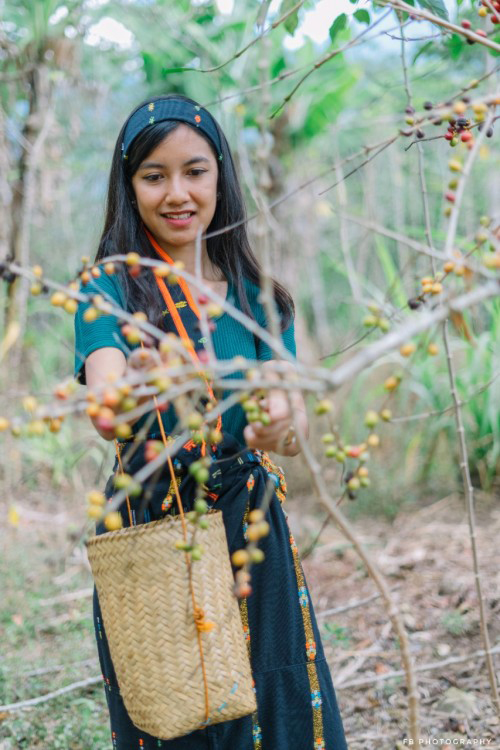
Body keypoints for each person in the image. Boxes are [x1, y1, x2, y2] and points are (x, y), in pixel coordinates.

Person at [74, 94, 348, 750]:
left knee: (275, 692)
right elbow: (106, 410)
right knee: (180, 703)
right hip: (156, 521)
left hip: (249, 526)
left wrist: (275, 427)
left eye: (194, 171)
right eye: (153, 175)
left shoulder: (259, 296)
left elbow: (288, 425)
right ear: (129, 185)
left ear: (221, 176)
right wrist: (133, 391)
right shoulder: (111, 289)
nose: (177, 193)